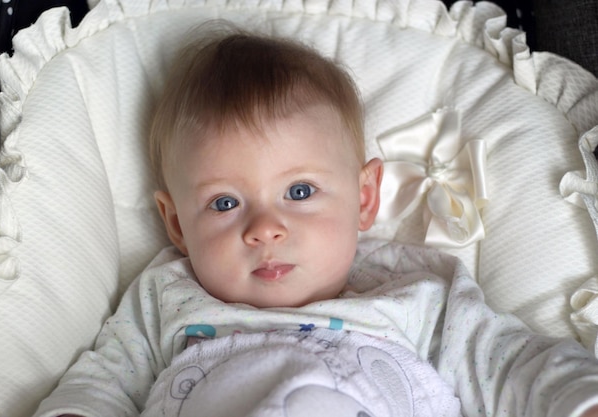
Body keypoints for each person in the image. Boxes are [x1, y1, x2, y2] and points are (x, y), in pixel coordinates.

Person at [34, 23, 598, 417]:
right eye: (225, 203)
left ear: (363, 198)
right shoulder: (164, 299)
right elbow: (102, 384)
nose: (265, 228)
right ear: (177, 224)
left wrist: (576, 399)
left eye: (299, 191)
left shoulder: (419, 292)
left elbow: (508, 366)